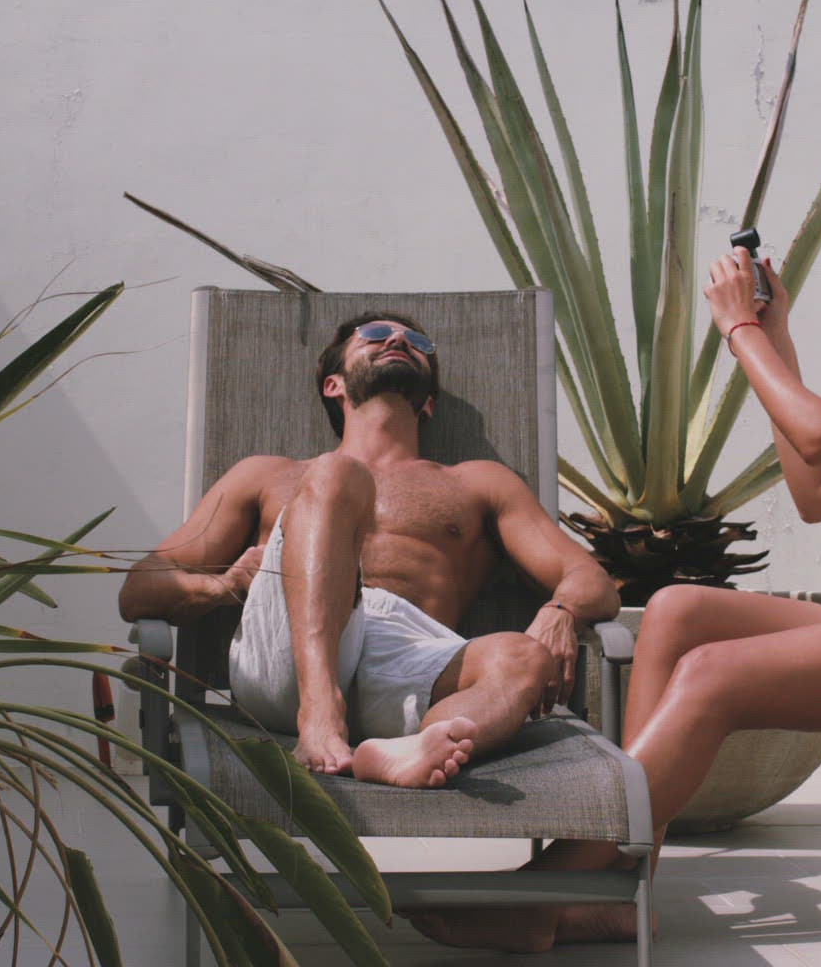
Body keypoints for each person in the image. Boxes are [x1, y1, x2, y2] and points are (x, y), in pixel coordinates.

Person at [409, 137, 821, 950]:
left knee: (714, 675)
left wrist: (739, 327)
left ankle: (560, 884)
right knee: (677, 610)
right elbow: (818, 493)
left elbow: (819, 435)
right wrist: (772, 337)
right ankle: (627, 889)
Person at [118, 312, 619, 790]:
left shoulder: (479, 483)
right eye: (376, 334)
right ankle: (320, 710)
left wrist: (561, 611)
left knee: (525, 657)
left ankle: (409, 751)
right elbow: (140, 588)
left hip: (411, 668)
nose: (398, 341)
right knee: (337, 474)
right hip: (287, 665)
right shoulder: (266, 475)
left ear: (429, 403)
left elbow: (590, 578)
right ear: (332, 385)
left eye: (417, 343)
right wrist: (224, 586)